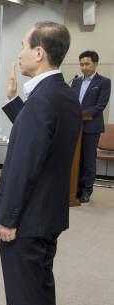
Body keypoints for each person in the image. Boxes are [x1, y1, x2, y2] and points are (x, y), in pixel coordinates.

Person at [0, 22, 81, 305]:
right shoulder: (62, 94)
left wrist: (8, 218)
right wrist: (12, 100)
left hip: (27, 217)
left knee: (24, 292)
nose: (19, 52)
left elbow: (25, 162)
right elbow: (39, 138)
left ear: (39, 52)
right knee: (40, 286)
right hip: (48, 213)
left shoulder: (42, 100)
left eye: (23, 45)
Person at [72, 50, 111, 204]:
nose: (84, 67)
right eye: (81, 64)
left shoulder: (104, 82)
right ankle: (76, 189)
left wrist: (82, 114)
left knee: (89, 161)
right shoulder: (76, 81)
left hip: (91, 127)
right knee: (76, 160)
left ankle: (87, 191)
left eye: (87, 64)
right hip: (75, 127)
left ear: (96, 64)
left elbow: (101, 104)